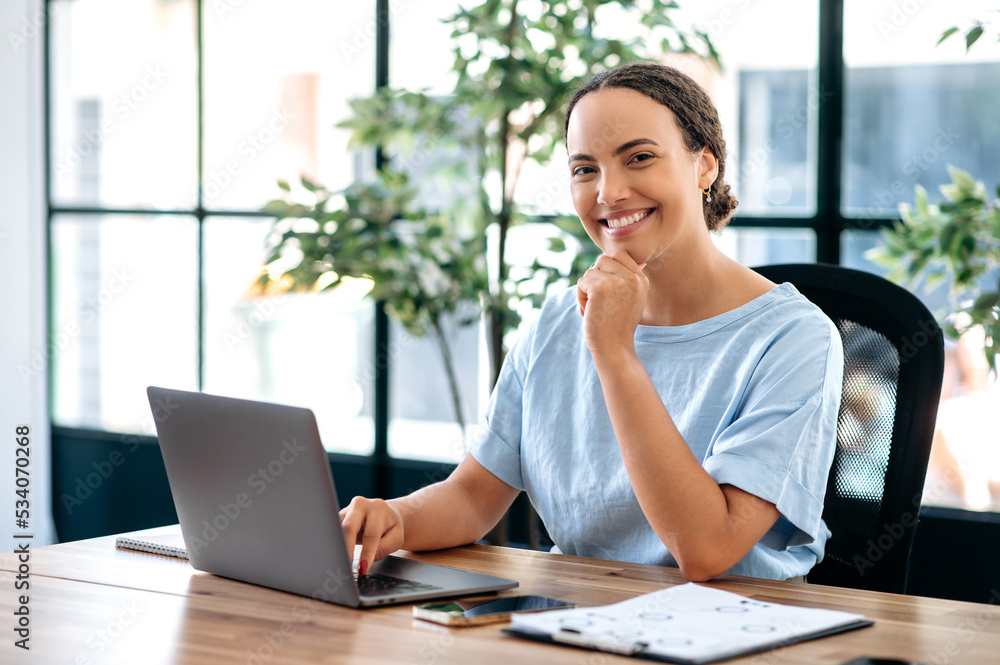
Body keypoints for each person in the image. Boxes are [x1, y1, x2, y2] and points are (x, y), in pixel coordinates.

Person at [340, 62, 844, 582]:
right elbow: (473, 495)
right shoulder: (557, 322)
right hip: (575, 615)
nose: (609, 192)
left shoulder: (795, 339)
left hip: (735, 631)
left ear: (705, 166)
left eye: (640, 158)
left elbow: (707, 550)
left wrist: (616, 353)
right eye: (585, 169)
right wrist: (392, 519)